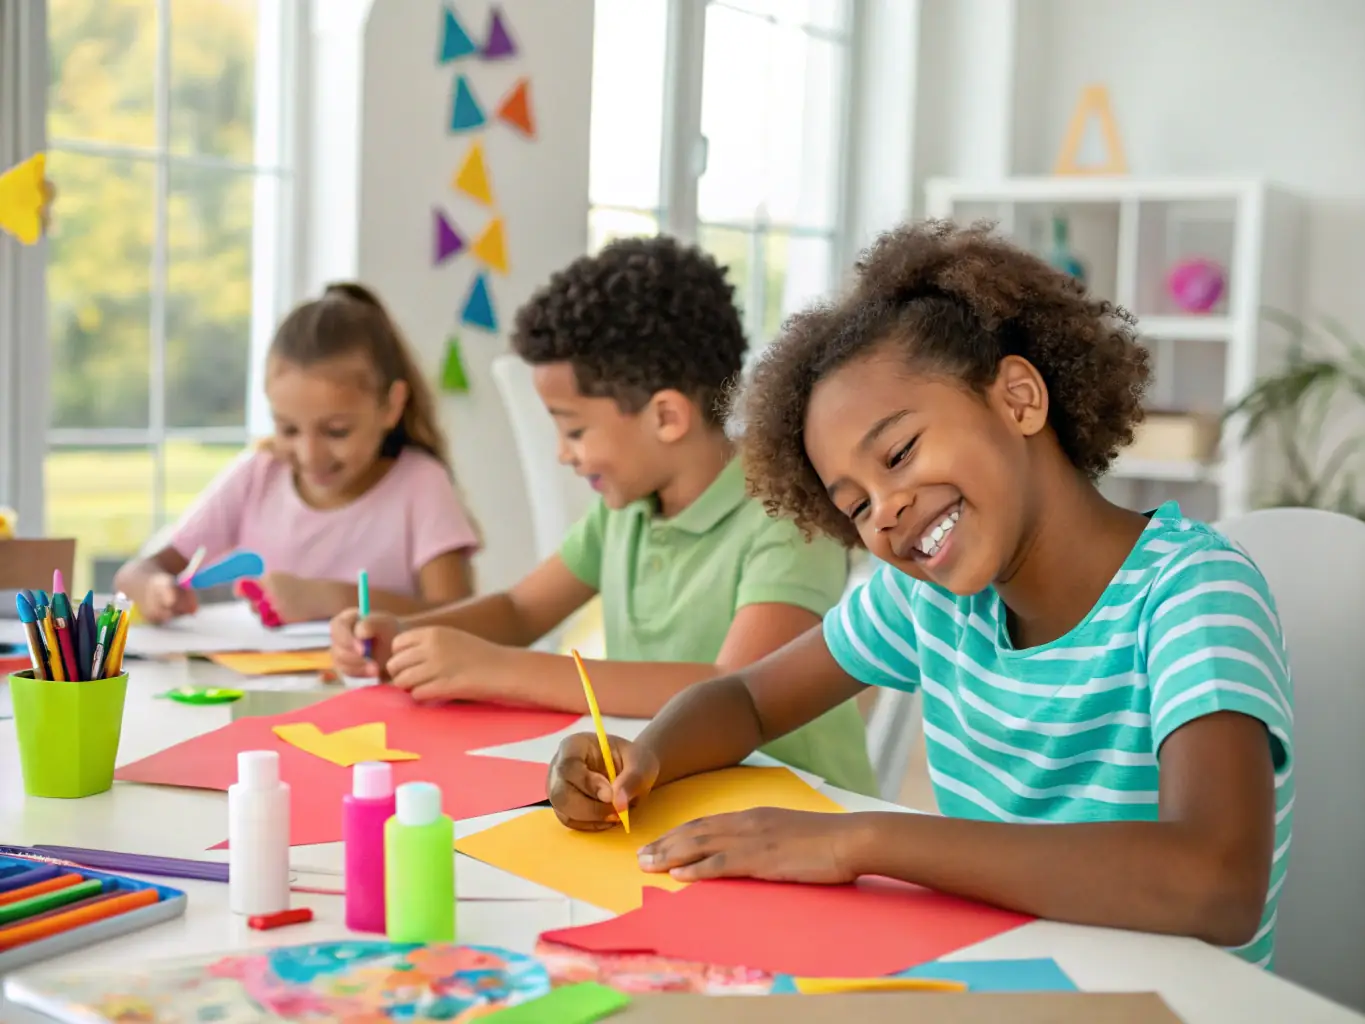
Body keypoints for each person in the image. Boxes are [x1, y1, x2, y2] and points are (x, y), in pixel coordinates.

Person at [545, 221, 1294, 968]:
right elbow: (745, 700)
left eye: (899, 453)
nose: (887, 511)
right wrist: (641, 760)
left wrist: (866, 839)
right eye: (855, 506)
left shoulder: (1192, 594)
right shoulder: (927, 602)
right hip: (1001, 975)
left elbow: (1215, 883)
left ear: (1020, 399)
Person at [330, 236, 878, 796]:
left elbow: (729, 688)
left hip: (801, 807)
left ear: (666, 416)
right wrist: (406, 635)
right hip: (666, 791)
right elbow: (519, 610)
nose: (562, 454)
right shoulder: (625, 513)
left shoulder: (783, 518)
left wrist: (498, 669)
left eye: (574, 430)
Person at [114, 283, 480, 624]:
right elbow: (135, 572)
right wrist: (152, 588)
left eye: (337, 431)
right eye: (288, 429)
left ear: (391, 406)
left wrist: (333, 599)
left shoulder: (420, 484)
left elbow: (465, 619)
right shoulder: (258, 474)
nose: (310, 455)